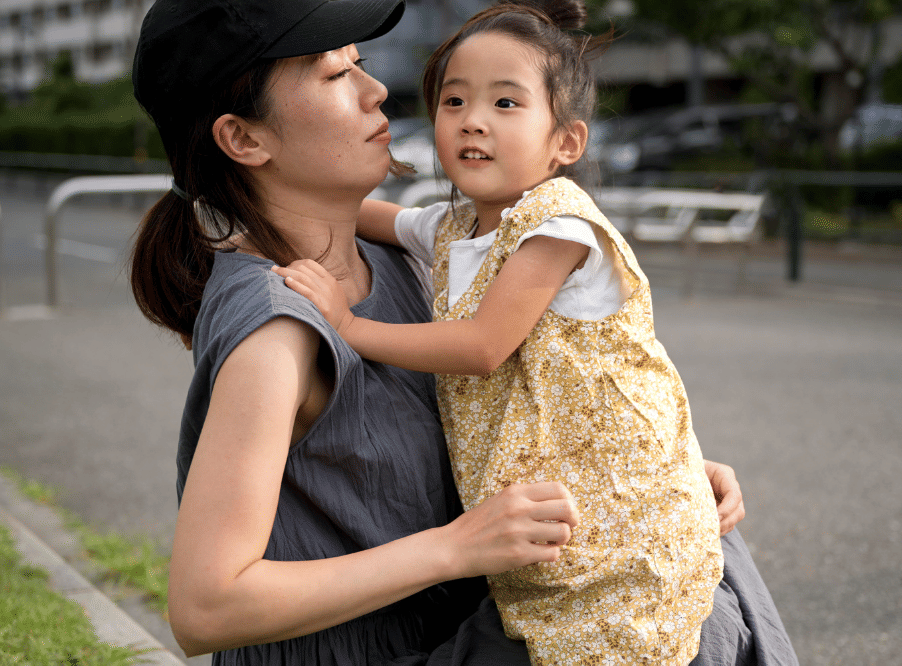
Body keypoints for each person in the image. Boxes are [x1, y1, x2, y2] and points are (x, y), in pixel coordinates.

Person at [129, 0, 792, 664]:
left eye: (360, 63)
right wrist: (457, 546)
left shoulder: (407, 259)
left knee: (708, 577)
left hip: (476, 624)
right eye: (335, 75)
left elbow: (506, 408)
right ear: (244, 139)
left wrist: (645, 471)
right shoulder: (278, 328)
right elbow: (205, 607)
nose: (376, 90)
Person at [273, 1, 723, 663]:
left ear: (566, 142)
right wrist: (271, 193)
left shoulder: (559, 226)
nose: (472, 120)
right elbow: (368, 215)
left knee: (614, 637)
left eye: (506, 103)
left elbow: (482, 347)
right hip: (550, 521)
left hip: (622, 522)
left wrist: (348, 326)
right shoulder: (454, 225)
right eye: (454, 101)